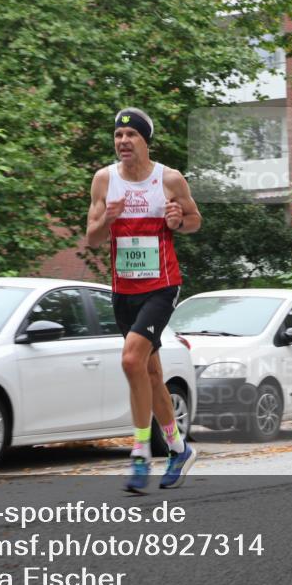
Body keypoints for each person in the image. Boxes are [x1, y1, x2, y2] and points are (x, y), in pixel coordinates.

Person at [86, 108, 202, 493]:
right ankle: (177, 447)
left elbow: (194, 220)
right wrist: (108, 220)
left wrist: (176, 221)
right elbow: (92, 239)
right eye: (118, 137)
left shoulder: (168, 179)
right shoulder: (104, 180)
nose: (123, 142)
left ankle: (138, 454)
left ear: (144, 141)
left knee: (131, 360)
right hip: (124, 290)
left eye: (130, 136)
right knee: (149, 373)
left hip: (161, 286)